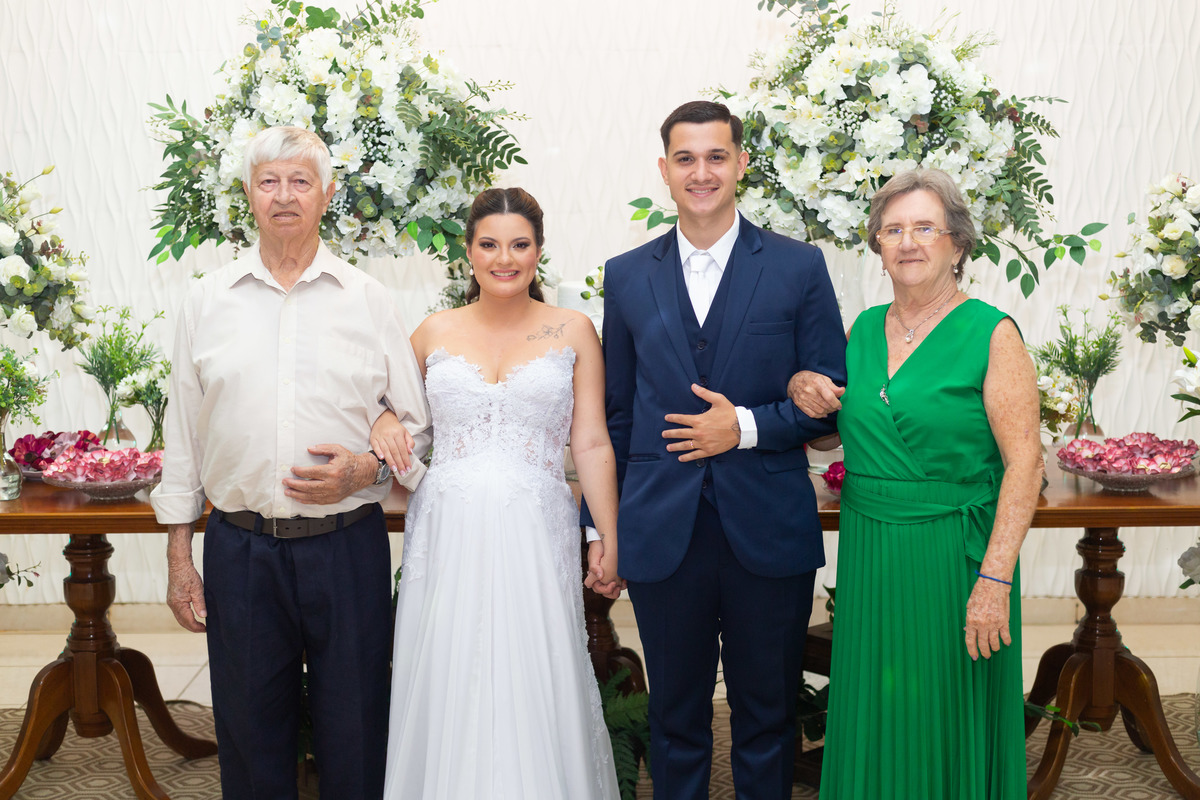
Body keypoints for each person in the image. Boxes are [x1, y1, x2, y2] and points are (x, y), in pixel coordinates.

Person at [150, 125, 430, 800]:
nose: (284, 196)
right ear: (248, 194)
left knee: (356, 728)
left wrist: (367, 469)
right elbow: (183, 439)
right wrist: (180, 557)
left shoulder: (367, 299)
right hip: (241, 549)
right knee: (249, 735)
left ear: (326, 196)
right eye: (269, 181)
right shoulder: (206, 300)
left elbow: (415, 425)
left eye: (301, 181)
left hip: (347, 546)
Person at [583, 100, 847, 800]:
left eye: (716, 157)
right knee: (675, 718)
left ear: (741, 164)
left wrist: (747, 427)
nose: (701, 172)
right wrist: (599, 528)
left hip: (769, 525)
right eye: (686, 158)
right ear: (665, 169)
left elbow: (831, 394)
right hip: (662, 529)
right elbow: (616, 415)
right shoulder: (627, 274)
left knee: (767, 715)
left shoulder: (798, 266)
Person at [789, 168, 1041, 799]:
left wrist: (994, 579)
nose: (908, 242)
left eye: (926, 228)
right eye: (893, 230)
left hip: (954, 560)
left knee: (943, 709)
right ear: (877, 246)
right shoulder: (862, 330)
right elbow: (835, 438)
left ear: (957, 243)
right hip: (871, 552)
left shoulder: (992, 333)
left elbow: (1026, 465)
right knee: (877, 702)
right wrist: (802, 389)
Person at [378, 187, 622, 799]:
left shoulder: (574, 330)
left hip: (536, 528)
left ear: (539, 251)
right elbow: (384, 404)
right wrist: (380, 418)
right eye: (489, 244)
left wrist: (607, 534)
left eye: (519, 245)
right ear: (468, 251)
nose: (504, 258)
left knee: (533, 666)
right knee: (450, 665)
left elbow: (591, 441)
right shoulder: (433, 331)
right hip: (447, 529)